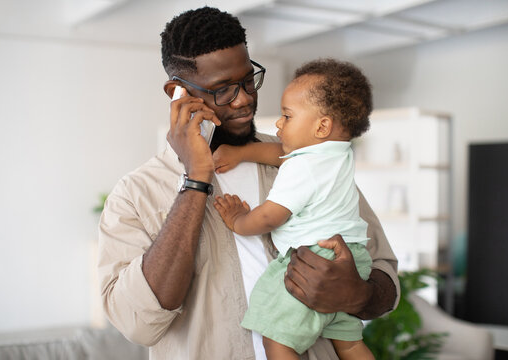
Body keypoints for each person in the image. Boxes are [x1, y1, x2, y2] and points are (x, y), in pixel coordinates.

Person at [98, 6, 399, 360]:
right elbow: (138, 324)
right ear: (178, 92)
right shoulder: (135, 195)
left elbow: (383, 274)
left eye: (246, 80)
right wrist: (196, 177)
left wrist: (357, 295)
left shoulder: (307, 158)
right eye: (222, 89)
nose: (243, 99)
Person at [213, 59, 375, 359]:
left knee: (276, 340)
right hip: (352, 261)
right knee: (350, 344)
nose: (278, 124)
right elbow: (280, 154)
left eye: (287, 116)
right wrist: (243, 153)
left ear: (321, 125)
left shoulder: (302, 168)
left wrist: (238, 220)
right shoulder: (336, 154)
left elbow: (270, 216)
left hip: (313, 263)